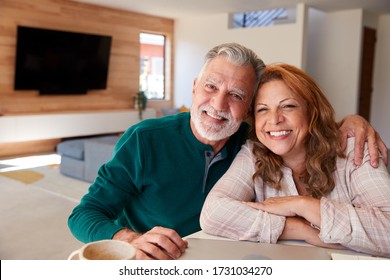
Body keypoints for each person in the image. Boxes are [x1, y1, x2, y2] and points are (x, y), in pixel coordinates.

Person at [68, 43, 388, 260]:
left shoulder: (254, 141)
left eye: (236, 94)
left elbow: (296, 127)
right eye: (211, 87)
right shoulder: (144, 139)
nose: (219, 105)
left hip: (224, 252)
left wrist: (350, 121)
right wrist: (129, 238)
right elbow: (84, 214)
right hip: (154, 256)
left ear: (248, 109)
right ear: (194, 87)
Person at [200, 63, 390, 257]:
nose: (274, 120)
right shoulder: (254, 153)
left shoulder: (355, 148)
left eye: (288, 106)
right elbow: (213, 213)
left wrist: (300, 205)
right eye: (263, 109)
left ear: (312, 111)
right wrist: (302, 230)